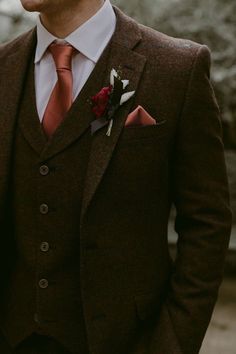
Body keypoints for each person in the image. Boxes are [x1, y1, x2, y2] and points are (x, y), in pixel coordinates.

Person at [0, 0, 232, 353]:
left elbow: (207, 222)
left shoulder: (177, 68)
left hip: (127, 341)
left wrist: (173, 342)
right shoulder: (4, 67)